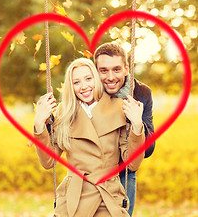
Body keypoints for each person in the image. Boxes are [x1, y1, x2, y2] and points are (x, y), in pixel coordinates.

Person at [34, 58, 145, 217]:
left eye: (88, 78)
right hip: (74, 197)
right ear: (71, 87)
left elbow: (133, 164)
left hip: (107, 196)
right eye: (76, 82)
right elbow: (48, 162)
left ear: (96, 79)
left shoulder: (119, 107)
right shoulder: (64, 112)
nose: (84, 86)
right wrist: (39, 123)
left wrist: (136, 125)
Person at [93, 42, 155, 217]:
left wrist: (136, 124)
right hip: (90, 174)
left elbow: (149, 149)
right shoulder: (88, 91)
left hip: (123, 175)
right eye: (103, 70)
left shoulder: (140, 93)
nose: (110, 77)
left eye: (117, 70)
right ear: (95, 70)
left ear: (126, 69)